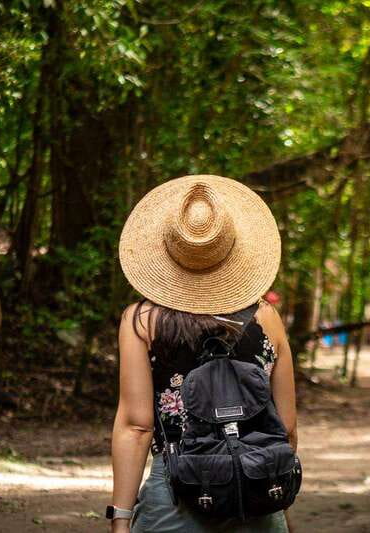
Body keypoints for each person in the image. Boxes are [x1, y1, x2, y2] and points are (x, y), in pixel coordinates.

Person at [109, 175, 298, 532]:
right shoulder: (268, 320)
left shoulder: (142, 321)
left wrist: (119, 518)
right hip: (258, 488)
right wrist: (282, 508)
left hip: (178, 492)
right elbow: (285, 428)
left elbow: (136, 426)